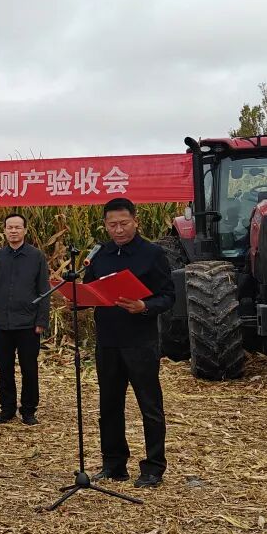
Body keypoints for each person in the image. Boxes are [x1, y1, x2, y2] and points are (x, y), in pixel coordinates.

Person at [85, 197, 175, 489]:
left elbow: (168, 296)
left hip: (140, 341)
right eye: (112, 225)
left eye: (124, 223)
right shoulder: (100, 254)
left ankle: (153, 467)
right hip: (108, 341)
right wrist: (76, 298)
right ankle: (114, 464)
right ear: (105, 225)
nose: (119, 229)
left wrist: (144, 306)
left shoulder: (152, 254)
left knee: (149, 405)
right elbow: (90, 289)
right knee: (109, 405)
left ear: (136, 221)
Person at [0, 213, 50, 426]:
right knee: (4, 368)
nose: (13, 231)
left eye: (17, 227)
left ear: (25, 230)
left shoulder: (36, 256)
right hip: (2, 322)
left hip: (28, 323)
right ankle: (7, 409)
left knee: (29, 368)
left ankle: (28, 410)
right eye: (9, 227)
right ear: (4, 231)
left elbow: (44, 289)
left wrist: (41, 320)